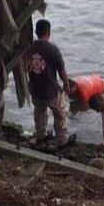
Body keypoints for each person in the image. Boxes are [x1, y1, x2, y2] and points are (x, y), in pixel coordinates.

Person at [26, 19, 72, 147]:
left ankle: (40, 136)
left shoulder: (30, 48)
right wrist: (66, 85)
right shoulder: (53, 49)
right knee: (60, 114)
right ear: (49, 32)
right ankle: (61, 140)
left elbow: (25, 67)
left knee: (39, 113)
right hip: (51, 91)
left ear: (36, 32)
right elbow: (61, 70)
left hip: (35, 90)